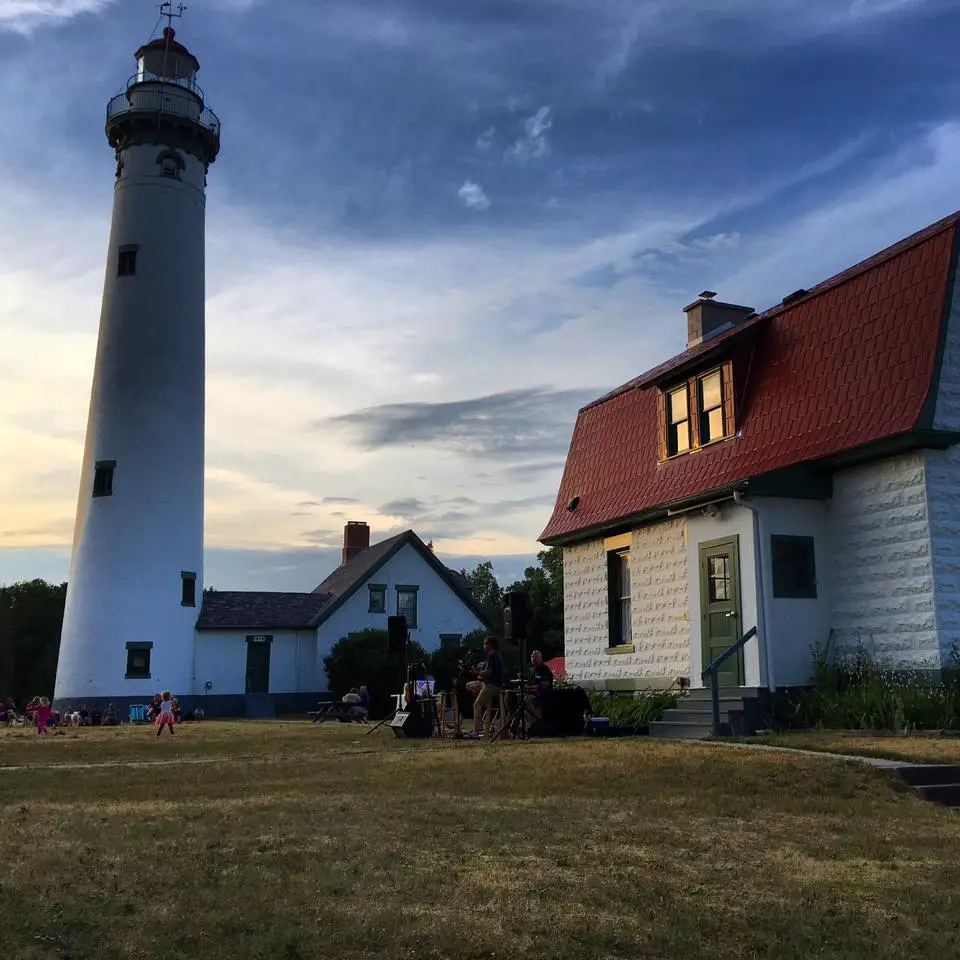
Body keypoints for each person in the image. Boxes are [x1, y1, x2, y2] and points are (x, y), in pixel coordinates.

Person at [466, 636, 504, 738]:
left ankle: (476, 732)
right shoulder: (497, 654)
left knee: (477, 705)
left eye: (484, 643)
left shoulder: (491, 655)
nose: (483, 646)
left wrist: (476, 672)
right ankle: (480, 725)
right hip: (493, 684)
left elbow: (488, 672)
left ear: (489, 644)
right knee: (469, 685)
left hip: (491, 685)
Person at [524, 650, 554, 723]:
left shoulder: (545, 670)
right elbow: (528, 683)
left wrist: (530, 688)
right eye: (532, 656)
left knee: (527, 699)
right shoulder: (531, 670)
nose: (534, 658)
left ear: (541, 658)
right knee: (510, 697)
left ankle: (534, 723)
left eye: (536, 656)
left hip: (542, 697)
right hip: (530, 694)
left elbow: (544, 685)